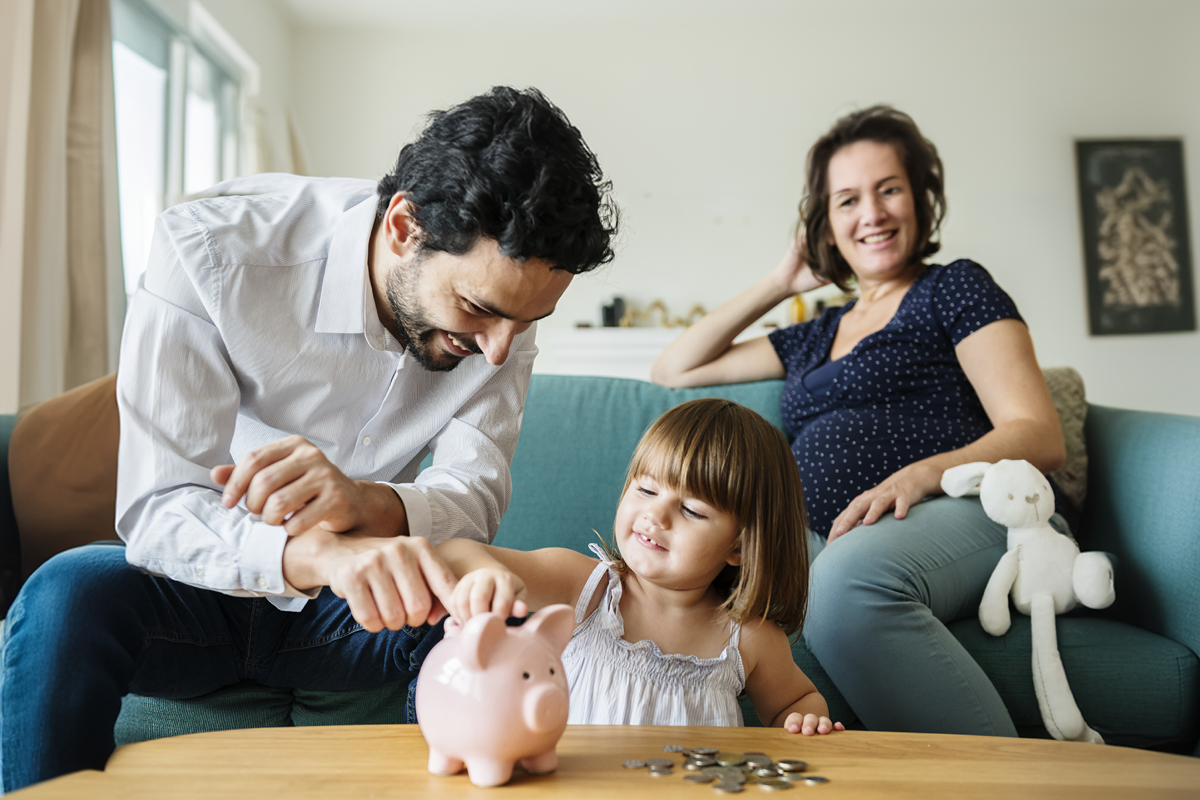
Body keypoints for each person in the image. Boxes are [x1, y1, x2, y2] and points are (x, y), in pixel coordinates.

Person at [0, 86, 618, 792]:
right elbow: (158, 510)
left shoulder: (503, 317)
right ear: (403, 226)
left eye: (526, 323)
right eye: (478, 311)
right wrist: (316, 552)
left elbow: (472, 498)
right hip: (200, 587)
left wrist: (368, 506)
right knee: (66, 591)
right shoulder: (209, 250)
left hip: (355, 612)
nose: (501, 351)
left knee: (483, 613)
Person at [650, 106, 1066, 737]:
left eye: (889, 189)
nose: (870, 214)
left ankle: (996, 782)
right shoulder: (816, 331)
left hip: (974, 508)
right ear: (827, 224)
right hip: (842, 530)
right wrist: (780, 280)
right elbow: (675, 369)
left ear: (920, 201)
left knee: (842, 587)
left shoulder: (954, 288)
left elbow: (1039, 434)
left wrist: (918, 476)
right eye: (847, 200)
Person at [437, 398, 844, 734]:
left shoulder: (748, 637)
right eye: (646, 489)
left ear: (739, 547)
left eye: (691, 510)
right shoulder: (583, 587)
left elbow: (795, 702)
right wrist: (486, 576)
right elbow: (456, 554)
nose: (656, 515)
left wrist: (806, 721)